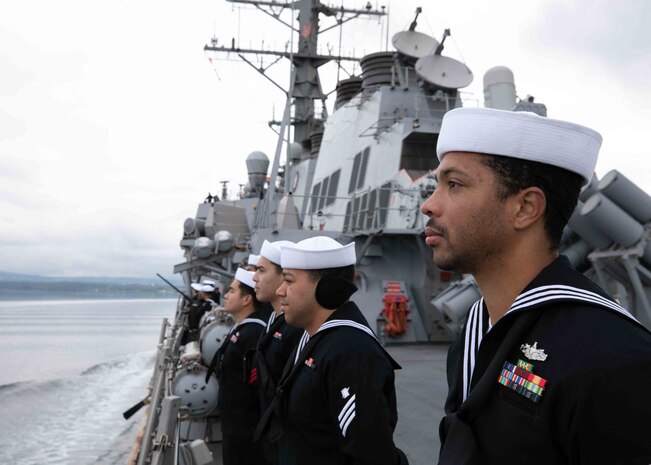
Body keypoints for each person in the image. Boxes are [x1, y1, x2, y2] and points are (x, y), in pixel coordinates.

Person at [420, 107, 651, 465]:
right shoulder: (477, 331)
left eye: (454, 184)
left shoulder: (613, 361)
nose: (429, 204)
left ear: (525, 207)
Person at [257, 236, 408, 465]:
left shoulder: (351, 353)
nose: (280, 291)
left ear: (326, 288)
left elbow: (369, 454)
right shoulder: (315, 338)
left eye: (288, 281)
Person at [207, 268, 271, 465]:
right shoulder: (242, 329)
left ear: (246, 300)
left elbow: (257, 385)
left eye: (232, 291)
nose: (225, 295)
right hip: (234, 424)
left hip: (245, 429)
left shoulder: (253, 334)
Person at [251, 240, 304, 463]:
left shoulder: (294, 329)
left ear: (284, 277)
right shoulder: (274, 320)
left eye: (261, 270)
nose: (254, 277)